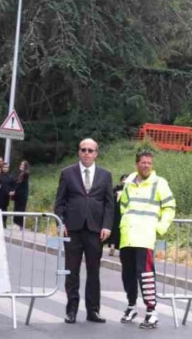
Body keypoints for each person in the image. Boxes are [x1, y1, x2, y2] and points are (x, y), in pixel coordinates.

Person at [54, 138, 114, 324]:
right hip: (72, 229)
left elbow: (109, 204)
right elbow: (60, 202)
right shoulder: (67, 173)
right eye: (83, 150)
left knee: (93, 271)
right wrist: (60, 223)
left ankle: (93, 311)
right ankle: (71, 310)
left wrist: (106, 226)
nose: (87, 153)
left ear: (96, 153)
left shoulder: (105, 175)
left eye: (90, 150)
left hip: (95, 230)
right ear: (79, 152)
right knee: (72, 271)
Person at [117, 150, 176, 329]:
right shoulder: (128, 183)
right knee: (127, 274)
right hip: (127, 235)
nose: (146, 166)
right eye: (143, 162)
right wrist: (125, 223)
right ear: (137, 164)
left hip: (145, 236)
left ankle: (151, 311)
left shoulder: (160, 183)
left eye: (149, 163)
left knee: (146, 274)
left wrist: (160, 228)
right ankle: (131, 306)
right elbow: (124, 206)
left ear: (152, 165)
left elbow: (169, 207)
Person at [10, 160, 30, 229]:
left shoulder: (25, 174)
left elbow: (20, 184)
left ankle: (19, 224)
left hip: (22, 195)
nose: (21, 166)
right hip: (18, 194)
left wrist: (14, 191)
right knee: (16, 208)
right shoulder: (20, 173)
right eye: (21, 164)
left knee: (20, 209)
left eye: (23, 165)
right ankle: (17, 223)